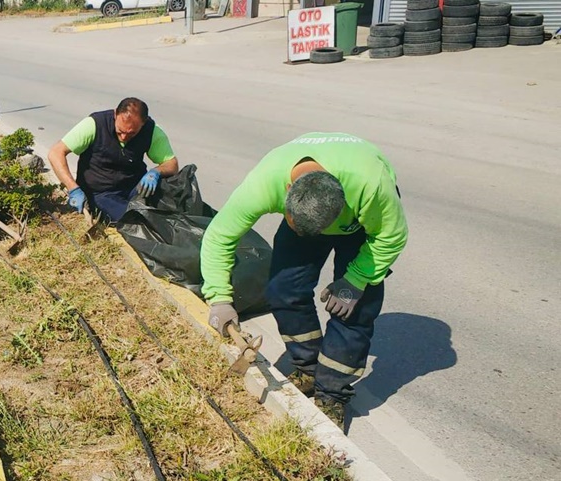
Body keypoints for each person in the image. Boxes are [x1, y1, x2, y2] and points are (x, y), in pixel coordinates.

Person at [200, 132, 408, 429]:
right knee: (283, 289)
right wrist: (219, 297)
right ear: (287, 192)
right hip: (311, 209)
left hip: (358, 226)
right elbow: (220, 236)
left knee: (354, 309)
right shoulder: (265, 182)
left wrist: (356, 280)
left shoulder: (370, 187)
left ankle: (332, 393)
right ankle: (308, 367)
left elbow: (391, 235)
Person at [47, 97, 179, 222]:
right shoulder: (95, 124)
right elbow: (56, 153)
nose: (123, 137)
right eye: (120, 131)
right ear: (115, 114)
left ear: (143, 124)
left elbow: (172, 164)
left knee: (171, 198)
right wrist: (73, 189)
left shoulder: (151, 130)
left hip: (134, 186)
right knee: (133, 219)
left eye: (131, 133)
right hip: (100, 193)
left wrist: (156, 172)